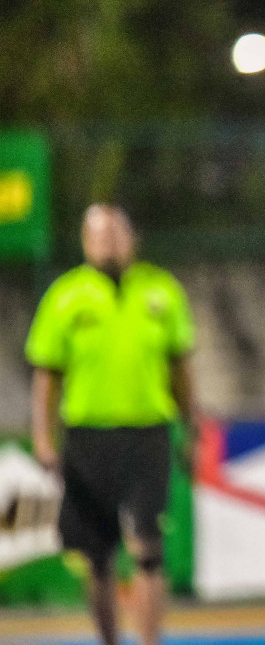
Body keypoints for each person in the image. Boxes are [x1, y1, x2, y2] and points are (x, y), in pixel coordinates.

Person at [27, 205, 198, 645]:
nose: (108, 242)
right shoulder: (65, 296)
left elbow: (181, 367)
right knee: (97, 555)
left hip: (148, 433)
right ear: (85, 241)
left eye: (116, 232)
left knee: (147, 548)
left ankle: (149, 640)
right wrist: (44, 438)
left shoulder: (161, 291)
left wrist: (192, 426)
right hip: (88, 437)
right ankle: (108, 640)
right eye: (98, 234)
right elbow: (47, 375)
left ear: (132, 238)